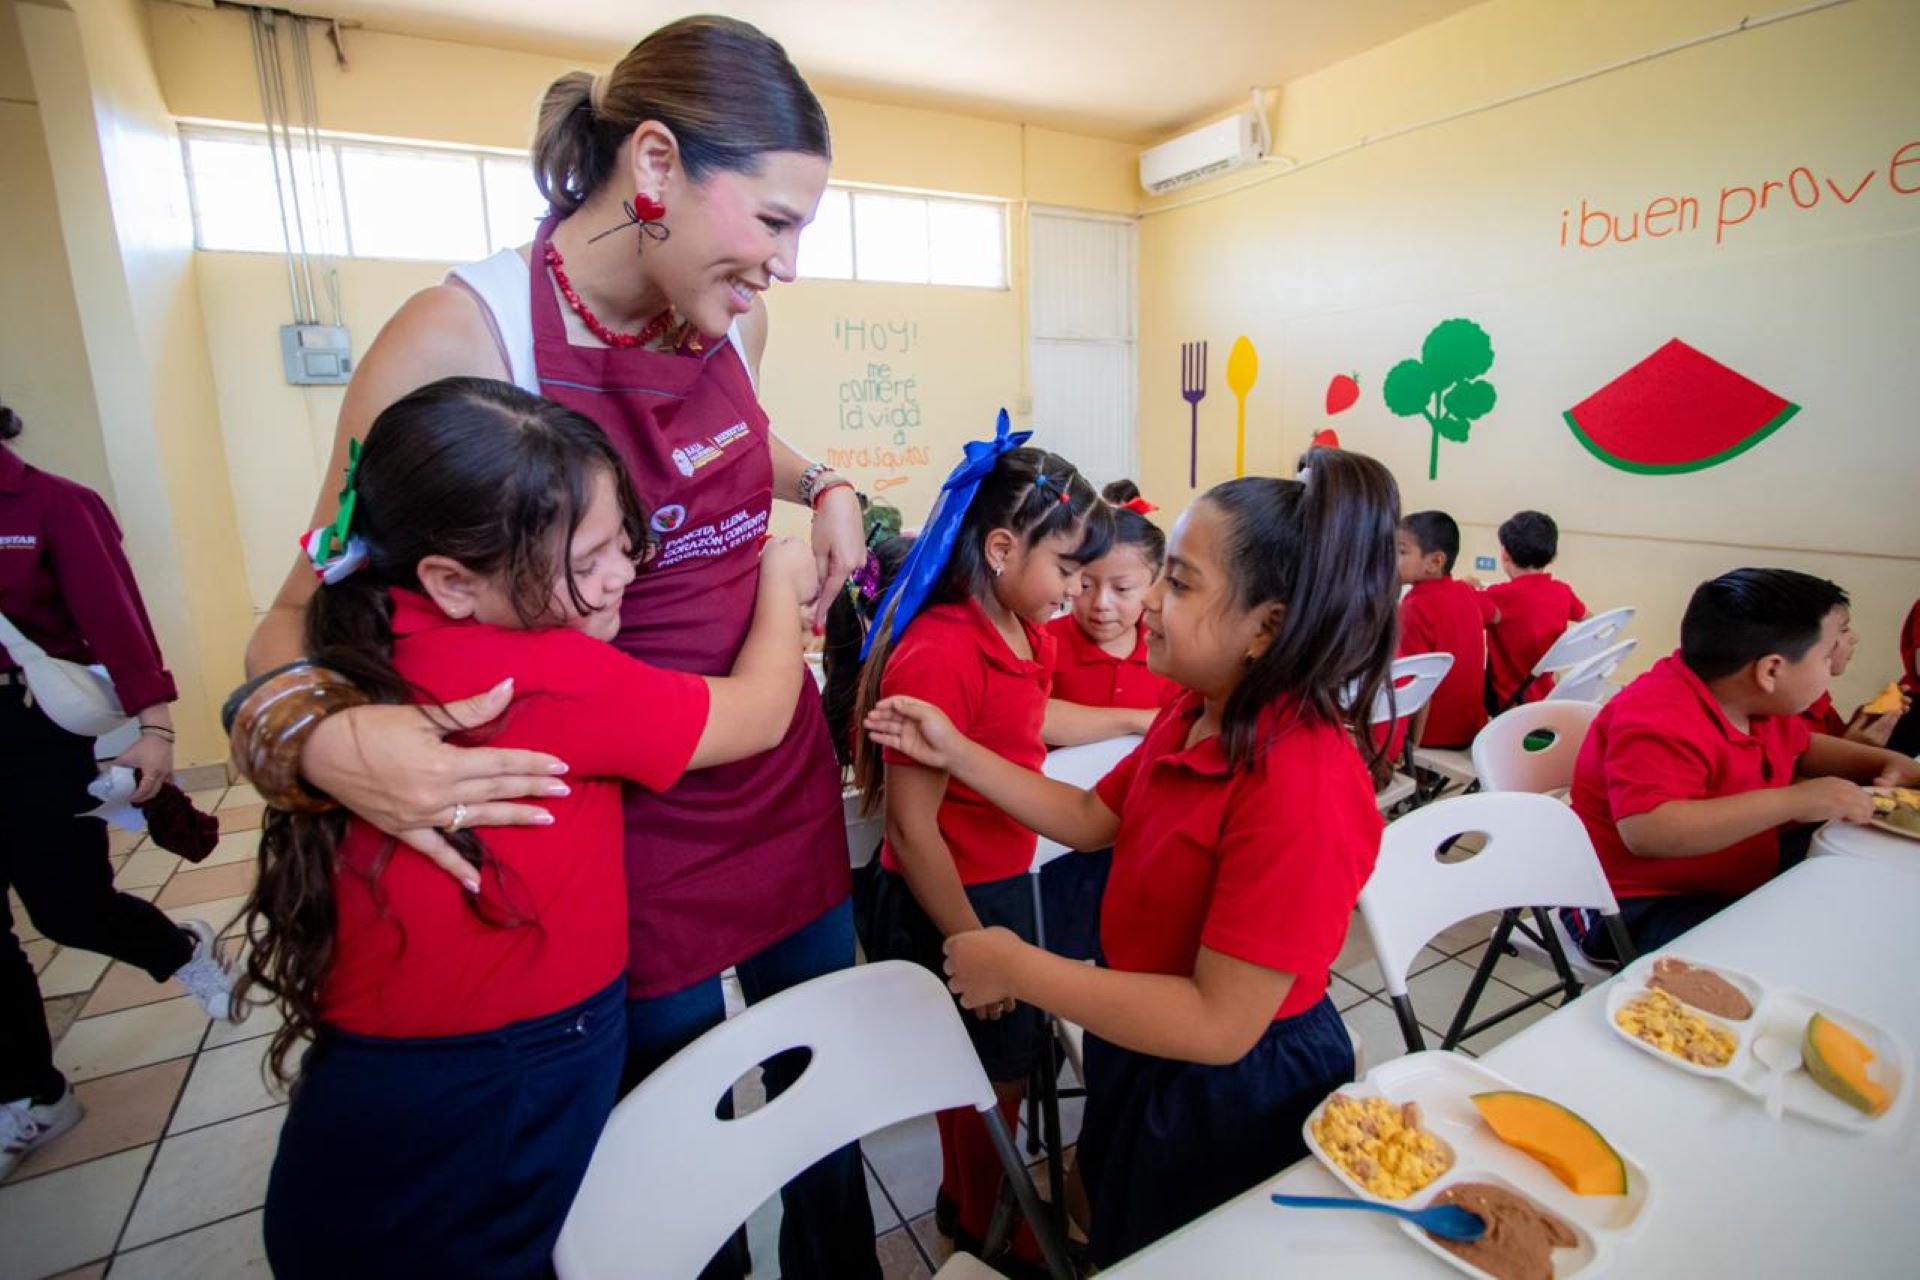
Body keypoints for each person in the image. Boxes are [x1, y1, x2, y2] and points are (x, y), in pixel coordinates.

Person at [225, 18, 876, 1276]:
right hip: (631, 815)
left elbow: (745, 446)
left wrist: (831, 480)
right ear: (653, 165)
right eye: (777, 223)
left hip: (773, 776)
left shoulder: (724, 310)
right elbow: (296, 613)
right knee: (686, 1149)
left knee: (825, 1096)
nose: (788, 266)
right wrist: (322, 739)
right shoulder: (457, 342)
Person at [241, 378, 818, 1275]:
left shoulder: (364, 620)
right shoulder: (544, 678)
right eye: (586, 562)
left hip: (384, 1068)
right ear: (454, 580)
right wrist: (779, 580)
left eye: (624, 543)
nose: (622, 576)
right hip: (505, 1065)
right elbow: (759, 712)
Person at [866, 451, 1401, 1266]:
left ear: (1267, 624)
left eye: (1178, 584)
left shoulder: (1302, 784)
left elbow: (1220, 1023)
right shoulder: (1195, 709)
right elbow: (1087, 817)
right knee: (1114, 1214)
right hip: (1143, 1037)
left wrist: (1017, 965)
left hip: (1223, 1084)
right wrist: (960, 752)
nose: (1145, 602)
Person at [851, 415, 1108, 1263]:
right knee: (981, 1078)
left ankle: (988, 1197)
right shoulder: (942, 651)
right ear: (1001, 549)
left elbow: (1024, 727)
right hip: (948, 899)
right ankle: (974, 1217)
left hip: (1003, 879)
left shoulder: (1019, 626)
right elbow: (912, 828)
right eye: (1067, 569)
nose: (1076, 589)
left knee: (1005, 1063)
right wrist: (970, 938)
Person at [1, 401, 234, 1179]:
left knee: (66, 907)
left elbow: (117, 622)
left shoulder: (52, 506)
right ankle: (32, 1093)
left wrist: (156, 729)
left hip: (30, 732)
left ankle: (178, 947)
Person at [1565, 569, 1920, 963]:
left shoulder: (1755, 702)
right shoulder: (1655, 716)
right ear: (1770, 670)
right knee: (1791, 956)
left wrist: (1891, 762)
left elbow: (1805, 749)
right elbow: (1651, 832)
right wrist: (1796, 800)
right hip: (1631, 904)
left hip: (1733, 873)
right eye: (1826, 653)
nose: (1835, 660)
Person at [1038, 502, 1172, 963]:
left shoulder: (1169, 653)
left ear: (1154, 587)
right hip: (1056, 848)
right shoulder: (1044, 640)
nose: (1101, 604)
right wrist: (1136, 720)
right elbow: (1029, 715)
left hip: (1142, 843)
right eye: (1086, 584)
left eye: (1122, 588)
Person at [1394, 510, 1492, 749]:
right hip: (1472, 727)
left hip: (1432, 733)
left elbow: (1412, 686)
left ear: (1435, 562)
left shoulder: (1413, 607)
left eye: (1402, 551)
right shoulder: (1466, 591)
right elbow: (1494, 614)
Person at [1480, 510, 1587, 709]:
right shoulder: (1562, 591)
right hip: (1547, 695)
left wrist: (1468, 587)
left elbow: (1461, 613)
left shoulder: (1496, 596)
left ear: (1504, 553)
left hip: (1509, 700)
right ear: (1552, 555)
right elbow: (1590, 620)